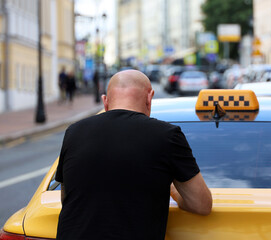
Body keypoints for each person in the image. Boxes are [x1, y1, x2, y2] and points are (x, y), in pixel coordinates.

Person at [55, 70, 212, 240]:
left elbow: (66, 196)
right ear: (149, 98)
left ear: (105, 101)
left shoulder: (74, 132)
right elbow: (201, 204)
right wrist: (171, 188)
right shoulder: (168, 135)